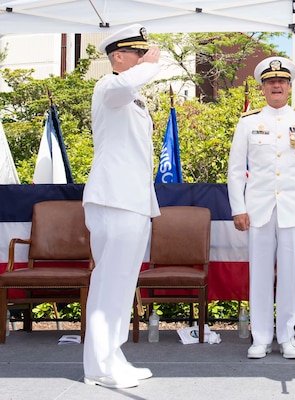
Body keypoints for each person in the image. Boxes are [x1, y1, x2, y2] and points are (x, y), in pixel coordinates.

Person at [82, 24, 161, 389]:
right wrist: (153, 63)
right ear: (118, 57)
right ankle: (99, 366)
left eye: (145, 54)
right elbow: (126, 85)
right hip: (114, 198)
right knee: (109, 281)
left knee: (122, 282)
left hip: (132, 200)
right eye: (138, 53)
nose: (145, 58)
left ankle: (111, 355)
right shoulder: (109, 87)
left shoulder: (133, 97)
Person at [227, 56, 295, 360]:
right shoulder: (249, 122)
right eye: (270, 82)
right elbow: (236, 170)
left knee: (292, 275)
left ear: (290, 86)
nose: (276, 85)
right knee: (261, 275)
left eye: (281, 81)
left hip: (294, 208)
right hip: (259, 210)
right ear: (262, 88)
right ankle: (262, 336)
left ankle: (288, 335)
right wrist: (238, 207)